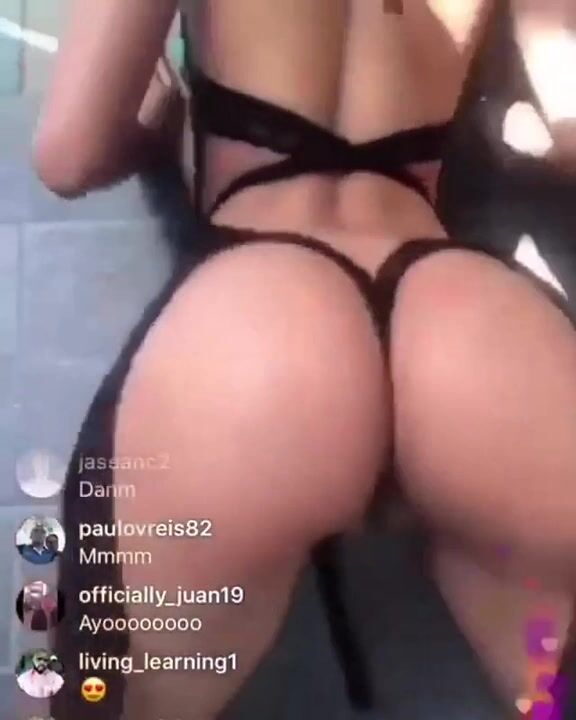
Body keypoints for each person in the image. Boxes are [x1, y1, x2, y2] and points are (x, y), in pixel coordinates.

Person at [38, 1, 576, 719]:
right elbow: (567, 123)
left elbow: (70, 155)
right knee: (550, 691)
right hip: (467, 335)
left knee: (113, 698)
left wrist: (169, 124)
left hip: (261, 338)